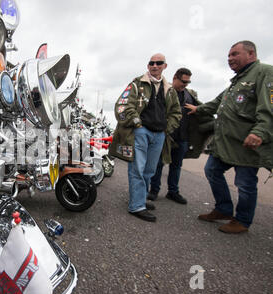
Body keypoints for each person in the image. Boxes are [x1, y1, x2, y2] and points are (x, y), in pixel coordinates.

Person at [185, 40, 273, 234]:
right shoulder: (237, 81)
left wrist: (260, 132)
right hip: (225, 143)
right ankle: (223, 209)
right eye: (229, 55)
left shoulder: (265, 72)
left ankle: (242, 221)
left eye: (235, 54)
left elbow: (269, 107)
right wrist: (199, 109)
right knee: (212, 170)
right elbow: (218, 103)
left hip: (247, 143)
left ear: (251, 54)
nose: (230, 58)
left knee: (245, 183)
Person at [109, 53, 182, 222]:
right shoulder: (137, 84)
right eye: (151, 63)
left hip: (160, 134)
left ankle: (139, 198)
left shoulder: (169, 89)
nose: (154, 66)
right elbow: (123, 104)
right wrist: (137, 124)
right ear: (148, 65)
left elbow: (176, 113)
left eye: (159, 63)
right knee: (137, 169)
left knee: (150, 170)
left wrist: (166, 128)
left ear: (165, 65)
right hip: (141, 132)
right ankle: (137, 206)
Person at [148, 68, 201, 204]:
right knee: (158, 164)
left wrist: (196, 111)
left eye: (188, 82)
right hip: (165, 136)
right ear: (175, 78)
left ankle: (173, 191)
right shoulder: (164, 91)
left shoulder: (190, 95)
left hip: (182, 137)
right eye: (183, 81)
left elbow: (201, 112)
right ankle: (154, 190)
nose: (185, 85)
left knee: (176, 166)